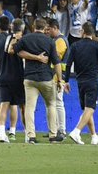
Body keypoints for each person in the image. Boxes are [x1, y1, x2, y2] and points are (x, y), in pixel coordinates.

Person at [14, 16, 63, 144]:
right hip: (46, 78)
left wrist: (33, 57)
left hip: (30, 78)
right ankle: (53, 135)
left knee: (30, 107)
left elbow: (16, 51)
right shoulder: (50, 41)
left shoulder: (26, 39)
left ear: (33, 27)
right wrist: (60, 80)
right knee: (51, 105)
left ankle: (31, 136)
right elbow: (57, 62)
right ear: (45, 28)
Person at [66, 21, 98, 145]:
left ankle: (94, 136)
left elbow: (68, 63)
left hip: (80, 81)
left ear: (83, 31)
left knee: (87, 109)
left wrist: (66, 81)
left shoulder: (75, 46)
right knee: (91, 108)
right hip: (92, 80)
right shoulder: (97, 45)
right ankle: (76, 131)